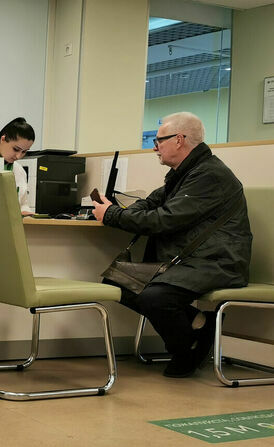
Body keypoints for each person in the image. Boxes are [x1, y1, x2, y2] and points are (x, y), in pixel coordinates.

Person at [92, 112, 252, 378]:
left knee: (155, 296)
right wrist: (116, 212)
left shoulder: (209, 175)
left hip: (218, 261)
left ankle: (186, 350)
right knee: (117, 281)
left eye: (159, 141)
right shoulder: (185, 173)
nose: (155, 148)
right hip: (193, 260)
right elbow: (150, 204)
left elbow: (164, 220)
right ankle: (200, 324)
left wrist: (112, 215)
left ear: (179, 140)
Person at [0, 117, 35, 214]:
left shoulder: (19, 170)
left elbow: (23, 204)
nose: (18, 156)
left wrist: (27, 212)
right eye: (16, 149)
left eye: (24, 152)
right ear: (3, 139)